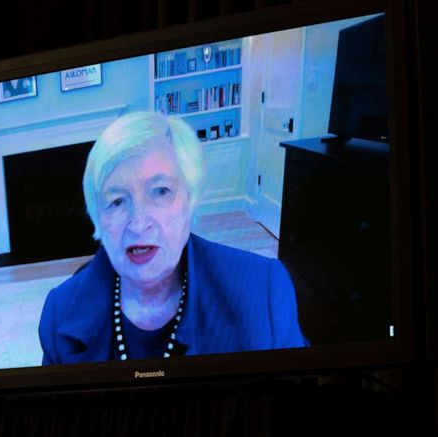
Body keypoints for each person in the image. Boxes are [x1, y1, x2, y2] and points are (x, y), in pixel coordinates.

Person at [38, 111, 307, 365]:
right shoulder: (60, 312)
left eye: (160, 191)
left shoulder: (263, 292)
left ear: (190, 200)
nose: (138, 224)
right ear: (98, 217)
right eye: (117, 200)